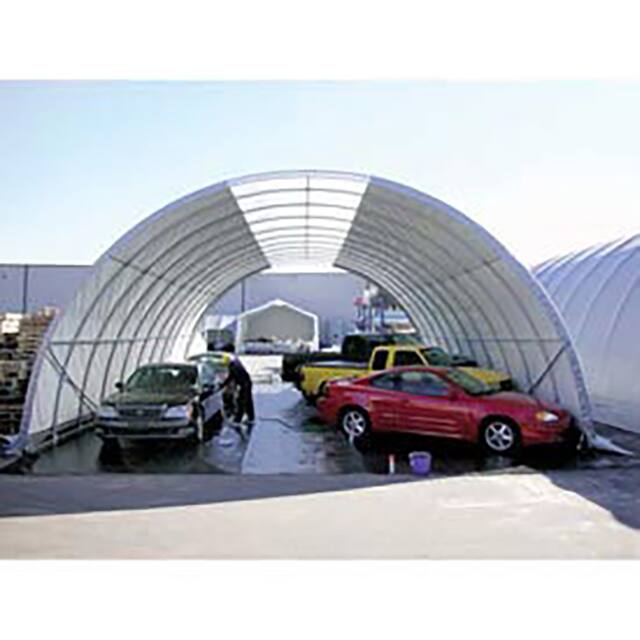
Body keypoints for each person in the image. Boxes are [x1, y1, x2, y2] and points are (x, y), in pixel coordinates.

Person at [221, 351, 255, 428]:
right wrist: (223, 384)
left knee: (242, 401)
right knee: (248, 401)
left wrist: (226, 385)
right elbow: (231, 377)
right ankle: (251, 417)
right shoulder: (235, 363)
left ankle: (238, 420)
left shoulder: (234, 366)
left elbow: (233, 377)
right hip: (247, 382)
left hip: (245, 384)